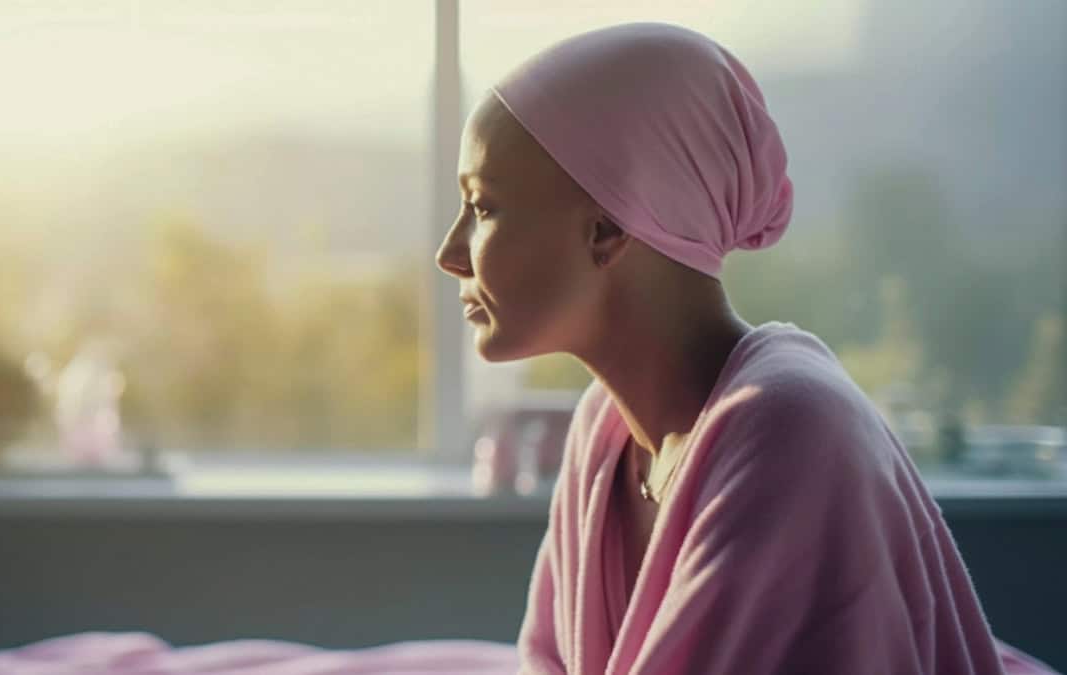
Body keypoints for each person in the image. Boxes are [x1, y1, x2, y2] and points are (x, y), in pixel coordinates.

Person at [435, 22, 1057, 675]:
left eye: (483, 207)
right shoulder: (604, 427)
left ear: (607, 229)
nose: (450, 253)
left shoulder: (792, 427)